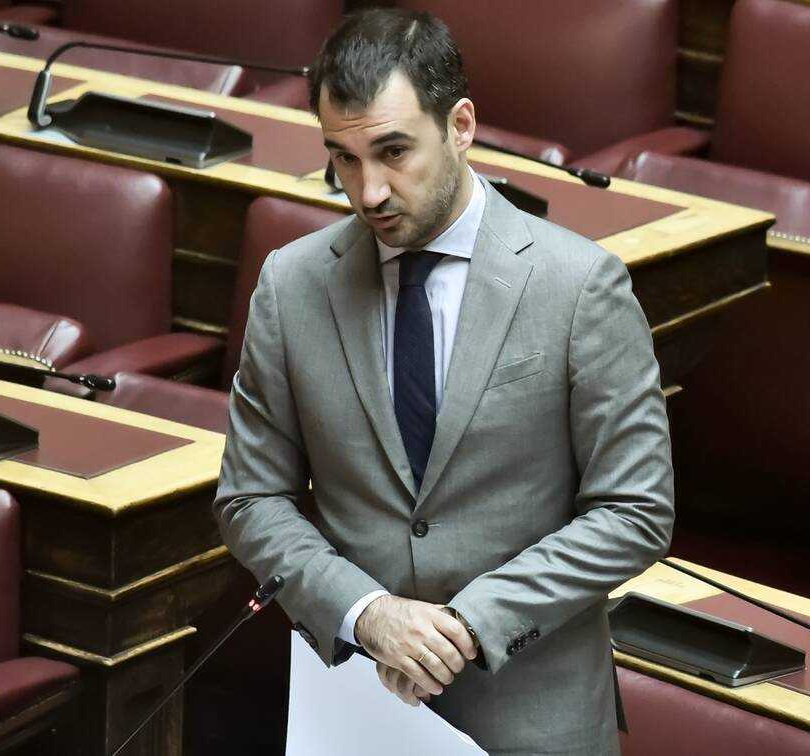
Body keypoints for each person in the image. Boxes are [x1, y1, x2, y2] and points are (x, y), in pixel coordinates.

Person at [213, 8, 674, 754]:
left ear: (460, 126)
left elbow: (635, 510)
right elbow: (251, 498)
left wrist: (468, 624)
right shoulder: (292, 286)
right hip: (357, 712)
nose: (368, 191)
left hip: (533, 717)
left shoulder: (579, 286)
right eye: (344, 159)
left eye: (393, 152)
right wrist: (366, 612)